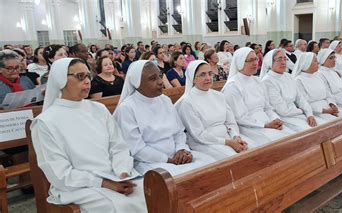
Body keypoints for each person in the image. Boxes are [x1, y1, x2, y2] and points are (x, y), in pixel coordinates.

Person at [31, 58, 146, 212]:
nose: (87, 82)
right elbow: (59, 173)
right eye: (80, 76)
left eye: (88, 76)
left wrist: (123, 172)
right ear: (61, 80)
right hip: (78, 187)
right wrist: (103, 183)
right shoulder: (45, 122)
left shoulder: (99, 109)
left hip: (114, 175)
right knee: (121, 206)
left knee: (151, 191)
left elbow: (118, 146)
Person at [113, 60, 215, 175]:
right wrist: (168, 160)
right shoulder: (127, 108)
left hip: (177, 155)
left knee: (211, 164)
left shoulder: (165, 100)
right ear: (137, 83)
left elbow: (179, 132)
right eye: (153, 79)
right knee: (181, 178)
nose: (160, 82)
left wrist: (181, 149)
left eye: (160, 76)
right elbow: (137, 149)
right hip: (149, 162)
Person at [176, 60, 254, 160]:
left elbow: (230, 122)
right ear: (193, 79)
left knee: (253, 148)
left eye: (210, 73)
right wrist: (228, 143)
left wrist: (236, 137)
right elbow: (199, 134)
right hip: (204, 143)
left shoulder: (219, 96)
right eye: (202, 75)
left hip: (228, 137)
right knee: (234, 158)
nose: (208, 78)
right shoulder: (187, 102)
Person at [222, 47, 292, 145]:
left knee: (293, 135)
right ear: (240, 62)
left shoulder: (258, 81)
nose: (255, 63)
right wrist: (265, 125)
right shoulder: (232, 86)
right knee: (281, 142)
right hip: (248, 127)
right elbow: (240, 117)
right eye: (250, 60)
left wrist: (276, 119)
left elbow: (267, 108)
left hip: (267, 121)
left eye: (256, 59)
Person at [260, 49, 317, 132]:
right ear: (270, 62)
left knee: (321, 128)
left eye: (285, 59)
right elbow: (282, 110)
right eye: (279, 59)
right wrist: (301, 110)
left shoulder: (288, 76)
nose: (283, 62)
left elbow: (300, 98)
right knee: (311, 132)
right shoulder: (268, 81)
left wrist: (309, 114)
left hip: (298, 114)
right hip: (284, 118)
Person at [292, 52, 342, 123]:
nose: (318, 63)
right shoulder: (298, 80)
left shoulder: (318, 76)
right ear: (307, 63)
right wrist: (325, 111)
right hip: (316, 112)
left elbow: (328, 94)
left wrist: (332, 105)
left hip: (328, 107)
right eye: (315, 61)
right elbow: (304, 102)